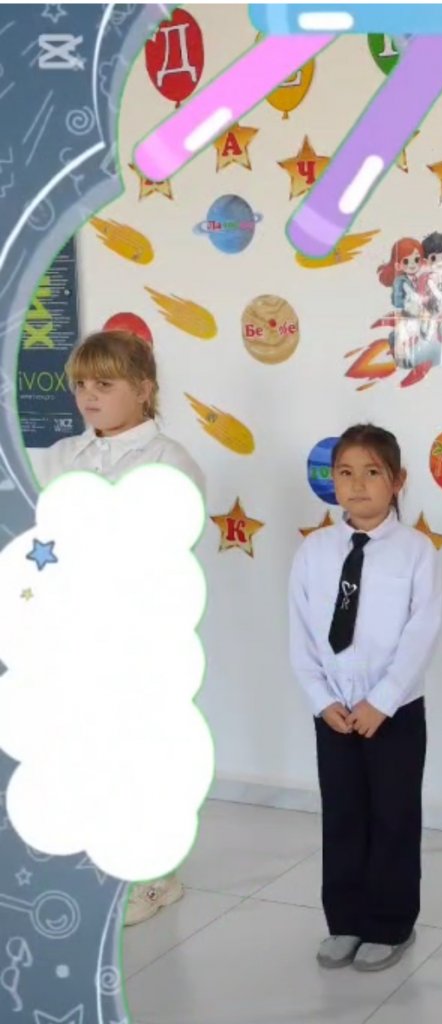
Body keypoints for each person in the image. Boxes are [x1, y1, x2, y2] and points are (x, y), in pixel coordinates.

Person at [35, 329, 205, 927]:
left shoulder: (171, 462)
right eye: (81, 384)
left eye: (104, 384)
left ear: (144, 389)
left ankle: (155, 877)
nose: (89, 395)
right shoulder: (58, 457)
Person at [289, 424, 442, 972]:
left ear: (397, 481)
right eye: (346, 473)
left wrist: (384, 699)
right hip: (333, 711)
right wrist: (319, 698)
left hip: (393, 713)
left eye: (372, 472)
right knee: (343, 816)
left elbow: (422, 631)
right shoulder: (314, 551)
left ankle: (391, 924)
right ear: (332, 481)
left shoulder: (417, 552)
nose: (357, 485)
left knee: (393, 817)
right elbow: (302, 631)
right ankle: (346, 921)